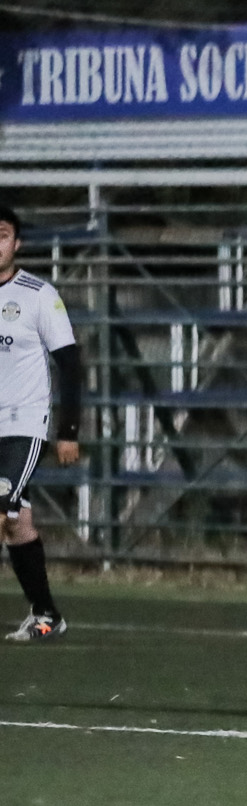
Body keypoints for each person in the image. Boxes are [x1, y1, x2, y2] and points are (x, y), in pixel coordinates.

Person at [0, 204, 82, 642]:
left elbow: (69, 363)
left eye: (2, 235)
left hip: (23, 425)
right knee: (18, 523)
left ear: (16, 243)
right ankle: (47, 616)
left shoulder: (37, 294)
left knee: (0, 511)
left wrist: (68, 431)